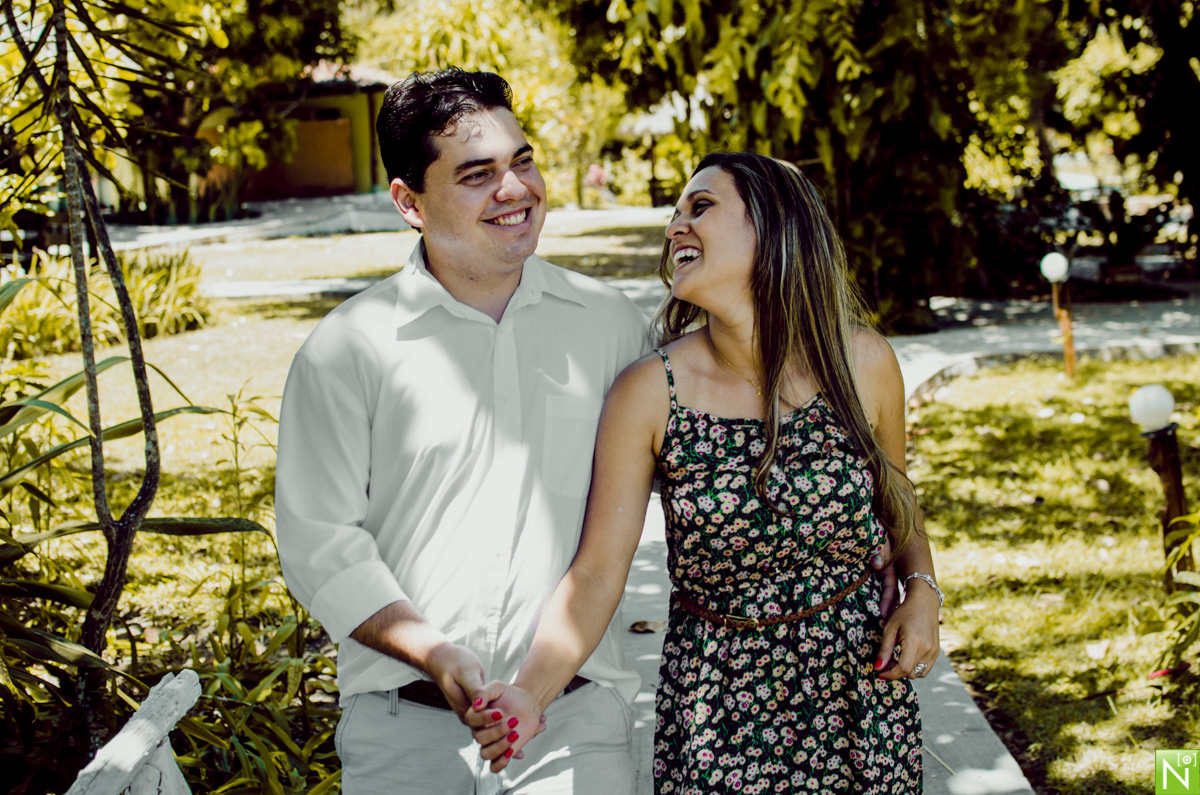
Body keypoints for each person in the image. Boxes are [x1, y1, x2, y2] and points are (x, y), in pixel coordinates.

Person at [469, 152, 942, 793]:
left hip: (859, 697)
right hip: (719, 711)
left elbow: (897, 500)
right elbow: (598, 571)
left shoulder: (863, 362)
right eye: (675, 214)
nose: (674, 229)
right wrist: (531, 692)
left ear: (772, 227)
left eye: (701, 207)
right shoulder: (650, 392)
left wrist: (922, 591)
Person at [274, 68, 651, 794]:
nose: (515, 190)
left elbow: (700, 470)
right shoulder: (346, 349)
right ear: (408, 202)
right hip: (403, 735)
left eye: (522, 161)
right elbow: (320, 542)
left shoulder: (610, 327)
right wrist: (433, 652)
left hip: (574, 727)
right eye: (477, 175)